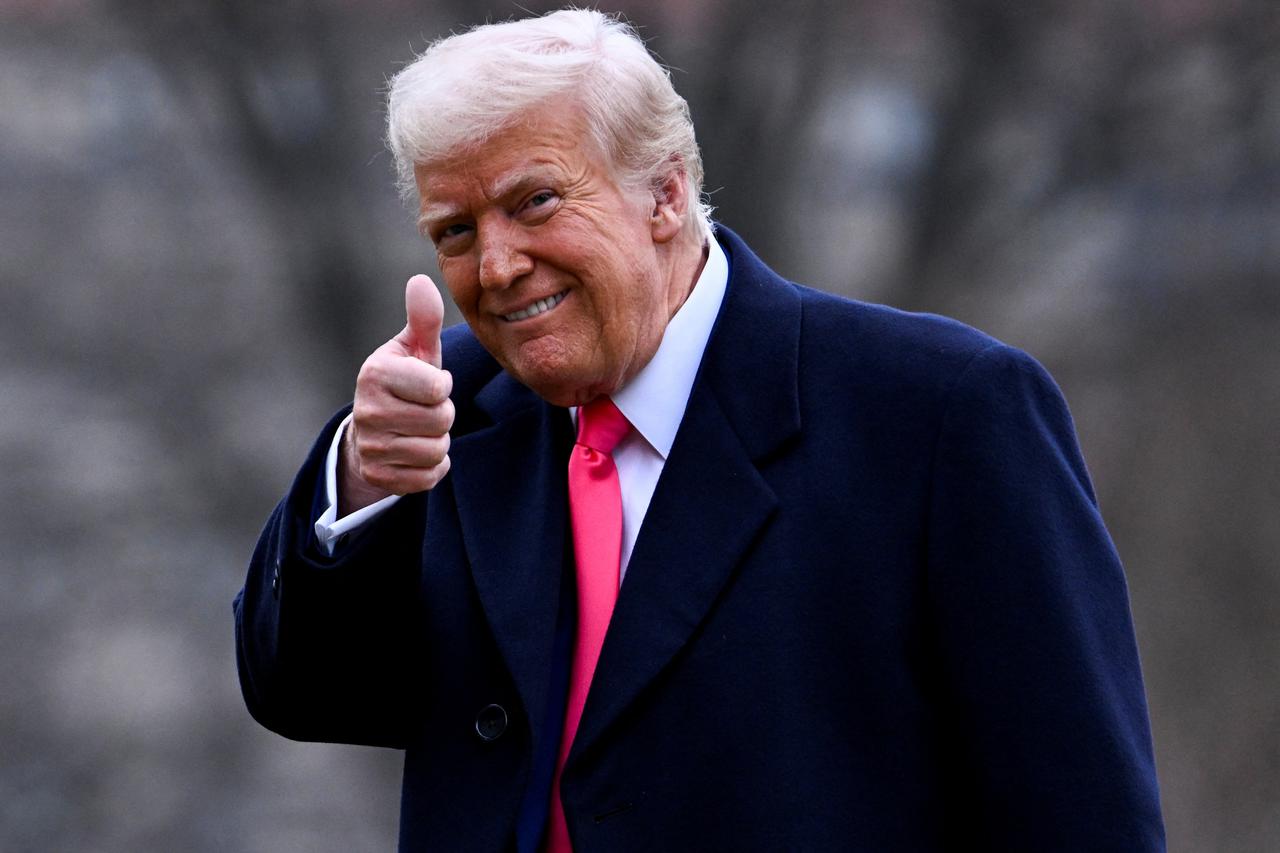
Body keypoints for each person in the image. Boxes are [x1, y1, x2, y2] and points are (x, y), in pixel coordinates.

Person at [234, 9, 1165, 852]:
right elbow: (299, 691)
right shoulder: (444, 412)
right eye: (456, 231)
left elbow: (1080, 812)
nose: (500, 264)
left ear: (666, 194)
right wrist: (359, 480)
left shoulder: (941, 412)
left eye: (535, 203)